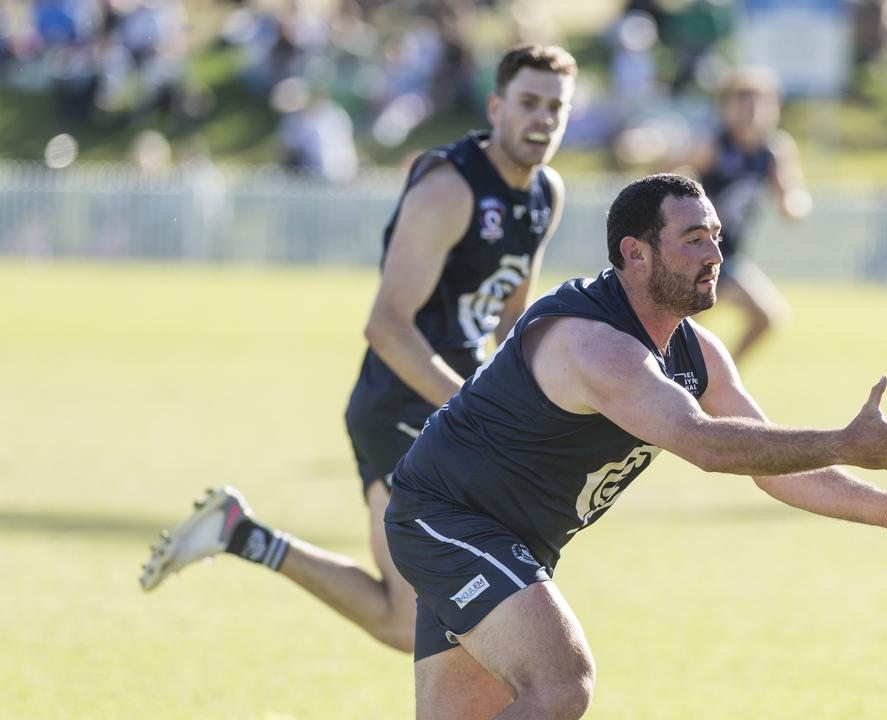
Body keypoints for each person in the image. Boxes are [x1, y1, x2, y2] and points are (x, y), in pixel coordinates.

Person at [383, 173, 887, 718]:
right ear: (635, 254)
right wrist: (849, 443)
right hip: (447, 519)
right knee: (561, 686)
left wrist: (885, 507)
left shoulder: (698, 352)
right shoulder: (595, 345)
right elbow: (710, 447)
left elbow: (772, 466)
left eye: (717, 237)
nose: (717, 255)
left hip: (513, 541)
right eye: (693, 239)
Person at [137, 44, 578, 654]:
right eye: (528, 103)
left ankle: (240, 535)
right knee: (419, 619)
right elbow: (387, 326)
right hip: (401, 403)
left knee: (465, 606)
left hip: (455, 413)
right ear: (496, 106)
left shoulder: (544, 192)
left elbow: (509, 317)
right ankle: (243, 537)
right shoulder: (450, 190)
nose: (543, 119)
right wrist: (476, 413)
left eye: (556, 107)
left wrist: (535, 403)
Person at [675, 66, 811, 362]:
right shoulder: (713, 145)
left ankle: (718, 380)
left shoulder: (773, 150)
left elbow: (791, 194)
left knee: (767, 318)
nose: (752, 110)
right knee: (682, 330)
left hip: (729, 256)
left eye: (762, 101)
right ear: (725, 106)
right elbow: (664, 172)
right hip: (694, 255)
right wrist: (694, 202)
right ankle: (696, 383)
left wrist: (794, 204)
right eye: (743, 100)